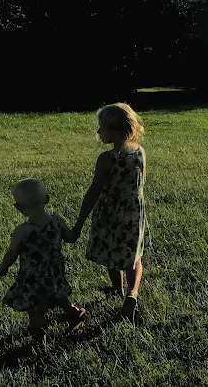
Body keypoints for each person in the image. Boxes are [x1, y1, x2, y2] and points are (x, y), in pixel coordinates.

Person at [72, 102, 149, 323]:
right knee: (134, 257)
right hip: (134, 213)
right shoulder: (140, 153)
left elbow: (94, 191)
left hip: (109, 215)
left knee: (111, 256)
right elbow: (141, 183)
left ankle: (118, 289)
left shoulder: (106, 158)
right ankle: (131, 294)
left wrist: (79, 223)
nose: (98, 132)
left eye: (101, 128)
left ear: (115, 131)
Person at [0, 178, 86, 343]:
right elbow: (70, 238)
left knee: (35, 309)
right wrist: (78, 227)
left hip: (33, 277)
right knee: (58, 294)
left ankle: (39, 341)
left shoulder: (22, 231)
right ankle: (73, 313)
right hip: (55, 271)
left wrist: (3, 268)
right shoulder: (57, 221)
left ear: (19, 208)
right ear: (47, 199)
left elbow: (11, 254)